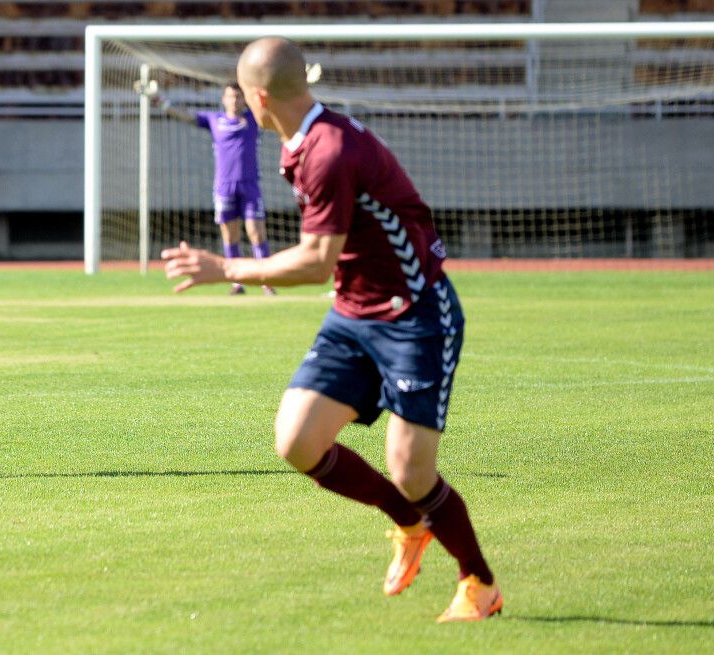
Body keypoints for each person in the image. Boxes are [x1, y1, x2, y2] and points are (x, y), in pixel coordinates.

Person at [161, 37, 501, 623]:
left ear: (259, 97)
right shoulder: (303, 141)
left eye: (244, 94)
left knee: (410, 469)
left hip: (416, 314)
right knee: (297, 441)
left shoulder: (328, 150)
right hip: (355, 313)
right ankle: (408, 520)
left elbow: (317, 260)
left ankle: (479, 583)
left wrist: (226, 268)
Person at [155, 83, 275, 295]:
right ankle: (237, 283)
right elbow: (187, 116)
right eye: (231, 96)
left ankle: (267, 282)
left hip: (250, 185)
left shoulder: (254, 119)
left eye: (238, 97)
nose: (235, 101)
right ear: (224, 99)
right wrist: (161, 102)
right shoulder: (214, 120)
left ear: (244, 99)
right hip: (224, 186)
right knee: (230, 236)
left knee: (257, 233)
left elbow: (273, 109)